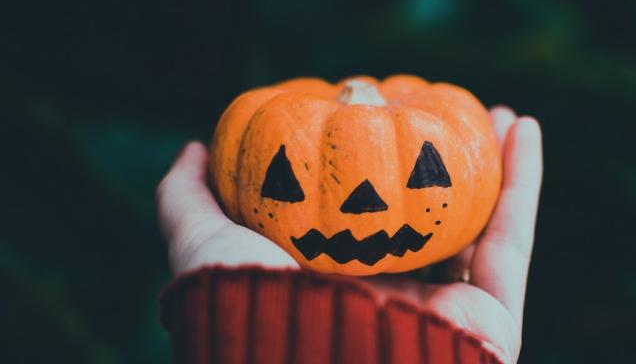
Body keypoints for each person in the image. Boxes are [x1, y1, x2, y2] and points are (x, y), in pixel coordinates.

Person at [156, 106, 543, 364]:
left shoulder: (441, 112)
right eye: (285, 181)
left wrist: (245, 317)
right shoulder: (269, 112)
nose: (365, 208)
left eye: (427, 172)